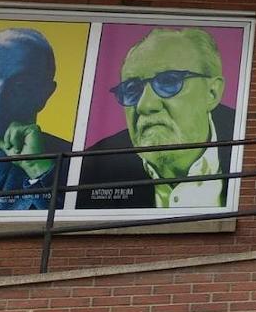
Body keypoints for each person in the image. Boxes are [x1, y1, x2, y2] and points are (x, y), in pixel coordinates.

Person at [78, 28, 235, 209]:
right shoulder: (93, 168)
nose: (145, 105)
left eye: (169, 81)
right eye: (131, 89)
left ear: (212, 93)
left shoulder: (250, 147)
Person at [0, 28, 71, 210]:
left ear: (45, 95)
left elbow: (79, 231)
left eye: (20, 86)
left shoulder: (72, 163)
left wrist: (37, 168)